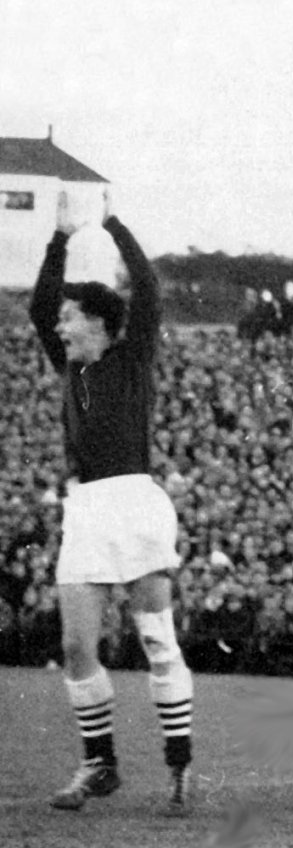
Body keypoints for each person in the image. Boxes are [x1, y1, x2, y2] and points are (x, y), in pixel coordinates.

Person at [30, 190, 195, 814]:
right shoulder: (69, 368)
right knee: (76, 648)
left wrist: (113, 225)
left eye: (69, 317)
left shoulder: (132, 357)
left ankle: (178, 764)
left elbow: (147, 287)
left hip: (135, 501)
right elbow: (39, 306)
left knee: (157, 639)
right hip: (87, 509)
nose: (59, 326)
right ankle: (100, 765)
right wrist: (60, 239)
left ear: (97, 323)